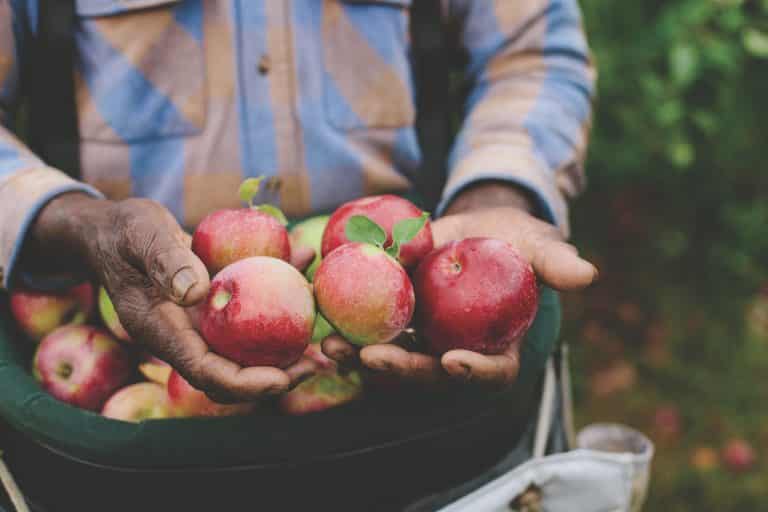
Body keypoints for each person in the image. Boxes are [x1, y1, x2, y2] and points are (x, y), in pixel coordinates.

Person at [0, 0, 598, 509]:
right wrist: (75, 224)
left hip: (420, 383)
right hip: (136, 366)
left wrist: (493, 198)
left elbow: (532, 55)